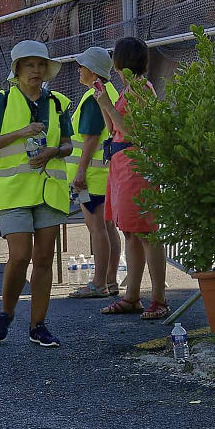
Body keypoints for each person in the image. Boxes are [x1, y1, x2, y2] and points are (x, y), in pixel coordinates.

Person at [0, 40, 73, 347]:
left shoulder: (58, 102)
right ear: (17, 70)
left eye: (41, 65)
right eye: (30, 65)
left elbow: (68, 144)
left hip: (48, 189)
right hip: (13, 190)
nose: (36, 70)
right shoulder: (2, 100)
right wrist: (20, 133)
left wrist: (55, 150)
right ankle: (6, 313)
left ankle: (38, 326)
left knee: (44, 258)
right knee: (19, 256)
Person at [96, 36, 168, 321]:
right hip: (123, 165)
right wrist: (103, 102)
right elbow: (114, 128)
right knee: (130, 231)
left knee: (147, 231)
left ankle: (159, 299)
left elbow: (134, 131)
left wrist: (109, 105)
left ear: (120, 62)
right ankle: (132, 297)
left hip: (136, 166)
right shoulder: (130, 89)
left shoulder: (141, 89)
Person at [64, 45, 121, 301]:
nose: (79, 69)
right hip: (104, 174)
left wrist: (80, 173)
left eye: (83, 66)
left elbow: (90, 139)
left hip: (90, 178)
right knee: (108, 227)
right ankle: (110, 280)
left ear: (93, 71)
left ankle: (99, 283)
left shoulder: (92, 97)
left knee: (96, 228)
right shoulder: (109, 91)